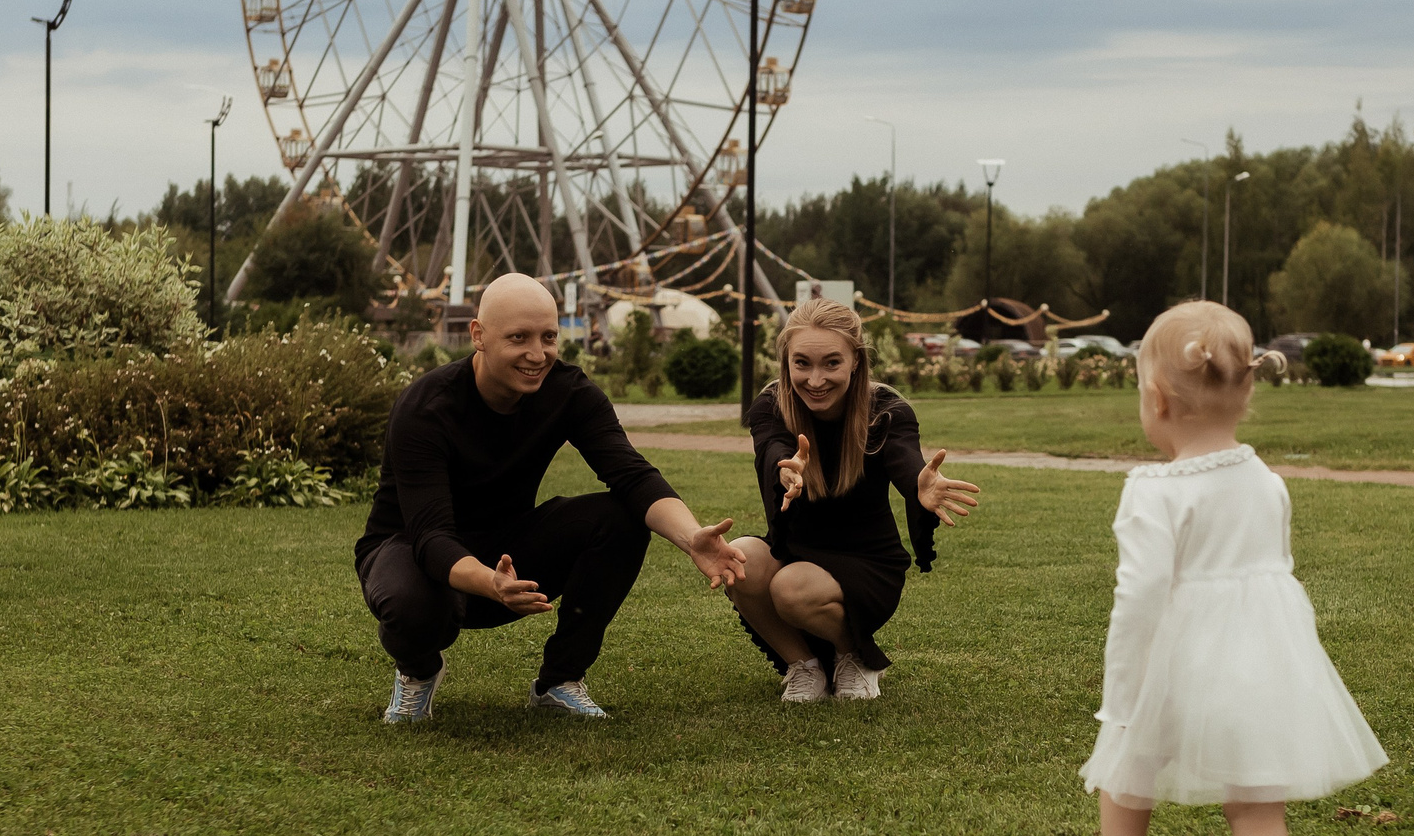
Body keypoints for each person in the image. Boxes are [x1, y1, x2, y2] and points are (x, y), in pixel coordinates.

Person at [1074, 300, 1389, 836]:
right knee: (1257, 803)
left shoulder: (1151, 491)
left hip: (1175, 664)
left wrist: (1124, 693)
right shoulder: (1270, 484)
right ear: (1247, 388)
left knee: (1127, 765)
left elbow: (1139, 596)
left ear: (1155, 398)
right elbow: (1276, 576)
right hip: (1260, 663)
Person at [356, 273, 747, 722]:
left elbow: (633, 476)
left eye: (548, 337)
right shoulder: (426, 407)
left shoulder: (569, 392)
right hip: (412, 553)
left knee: (622, 515)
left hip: (506, 553)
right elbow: (430, 537)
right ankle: (419, 671)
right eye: (518, 338)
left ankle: (559, 680)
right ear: (478, 335)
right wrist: (491, 583)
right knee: (413, 604)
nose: (537, 355)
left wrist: (692, 536)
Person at [726, 297, 981, 701]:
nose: (815, 379)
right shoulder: (771, 406)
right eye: (802, 363)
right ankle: (805, 668)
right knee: (737, 558)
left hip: (866, 562)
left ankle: (854, 656)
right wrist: (785, 466)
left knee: (791, 588)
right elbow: (773, 445)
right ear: (786, 361)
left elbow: (903, 458)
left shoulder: (886, 410)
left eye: (831, 363)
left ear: (856, 361)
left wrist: (920, 483)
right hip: (797, 550)